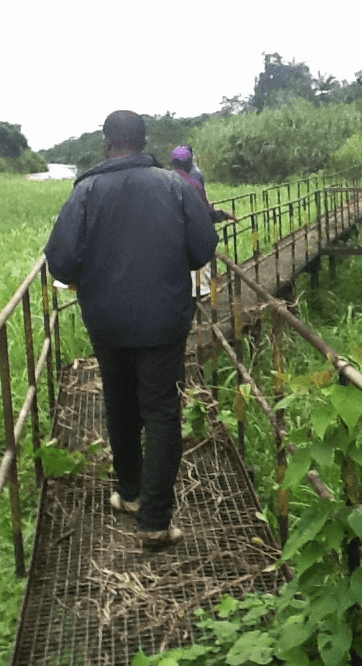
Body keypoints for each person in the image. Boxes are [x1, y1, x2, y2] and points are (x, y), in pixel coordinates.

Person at [45, 111, 219, 548]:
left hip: (106, 321)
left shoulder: (85, 191)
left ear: (108, 144)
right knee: (161, 411)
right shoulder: (176, 186)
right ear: (144, 144)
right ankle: (156, 521)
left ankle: (130, 493)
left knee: (119, 402)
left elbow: (60, 262)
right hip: (163, 320)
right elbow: (202, 249)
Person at [170, 144, 234, 296]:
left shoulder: (170, 178)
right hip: (194, 226)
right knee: (199, 260)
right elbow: (202, 206)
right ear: (191, 160)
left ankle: (195, 291)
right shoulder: (195, 176)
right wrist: (221, 215)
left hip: (176, 229)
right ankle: (202, 292)